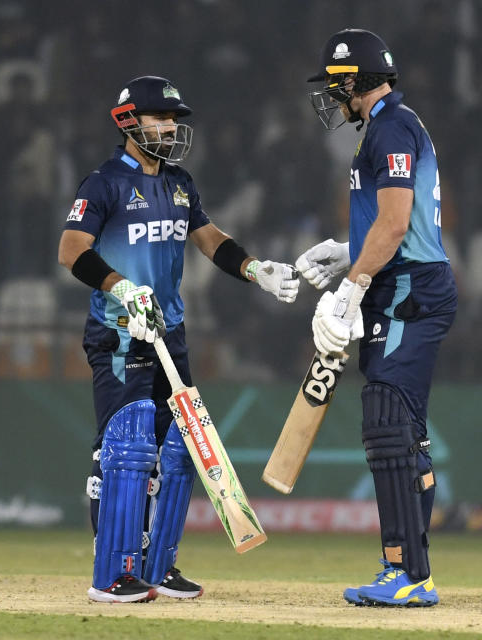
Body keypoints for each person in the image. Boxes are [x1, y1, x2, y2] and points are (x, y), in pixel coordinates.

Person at [57, 75, 298, 603]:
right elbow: (72, 250)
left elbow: (209, 240)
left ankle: (158, 566)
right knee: (128, 448)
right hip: (121, 332)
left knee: (179, 448)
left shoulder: (179, 182)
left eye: (174, 120)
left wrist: (257, 270)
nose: (170, 127)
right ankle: (114, 573)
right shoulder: (103, 183)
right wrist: (123, 291)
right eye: (160, 118)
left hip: (168, 332)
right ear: (128, 122)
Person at [298, 29, 457, 607]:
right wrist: (351, 250)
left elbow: (395, 224)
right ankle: (408, 568)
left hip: (407, 286)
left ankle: (408, 573)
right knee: (401, 431)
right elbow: (393, 223)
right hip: (405, 279)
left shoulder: (391, 126)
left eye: (337, 85)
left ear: (357, 81)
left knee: (388, 422)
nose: (332, 97)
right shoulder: (396, 124)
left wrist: (352, 286)